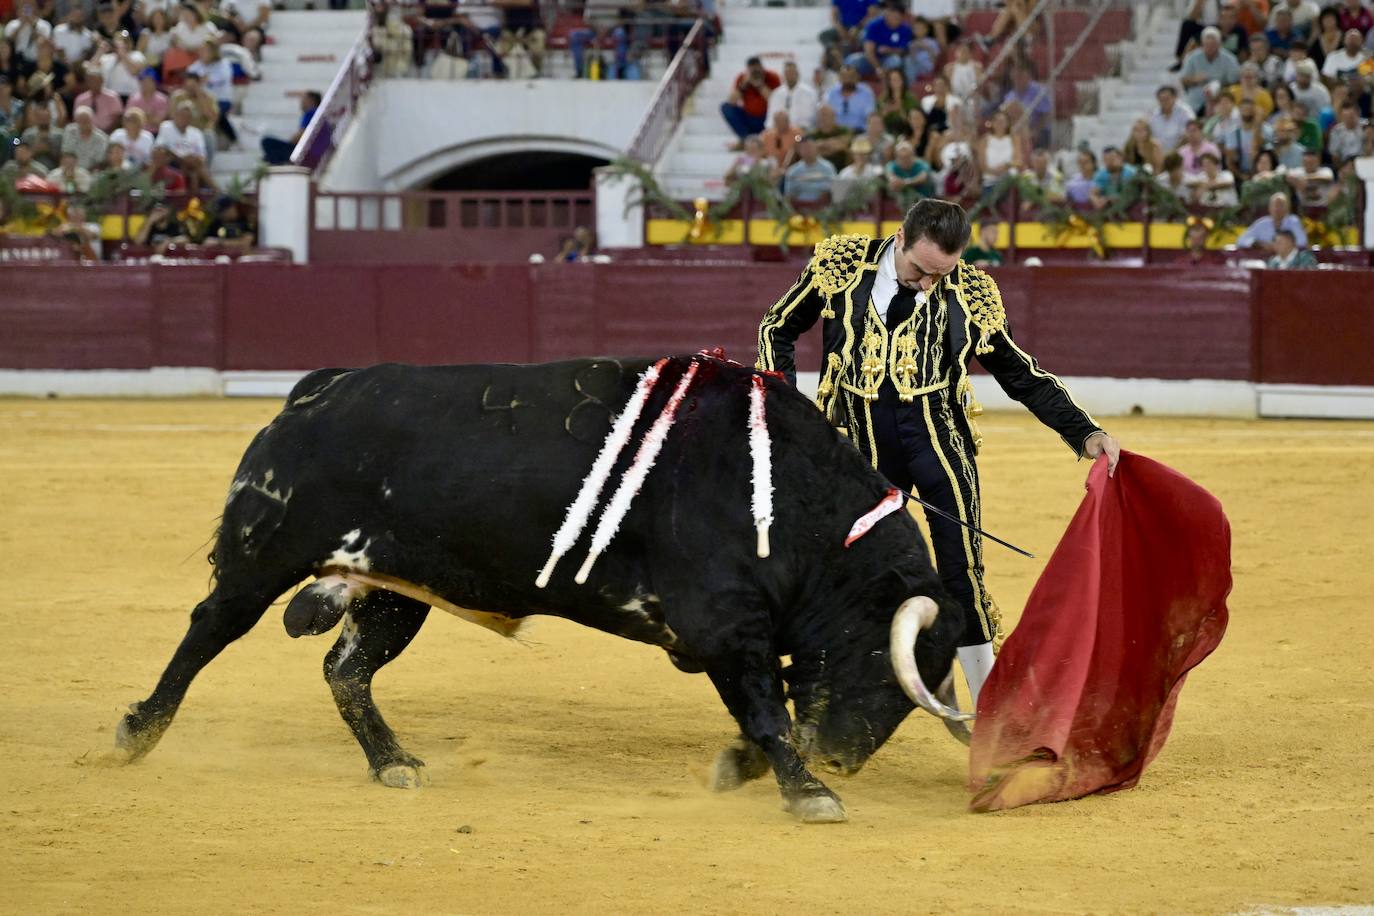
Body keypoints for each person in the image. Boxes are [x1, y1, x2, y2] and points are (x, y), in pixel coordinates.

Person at [755, 199, 1121, 707]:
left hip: (940, 445)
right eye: (919, 271)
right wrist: (788, 410)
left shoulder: (971, 292)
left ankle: (990, 705)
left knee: (961, 569)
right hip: (861, 452)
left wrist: (1085, 432)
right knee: (851, 571)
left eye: (941, 274)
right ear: (899, 239)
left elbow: (1019, 373)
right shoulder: (840, 266)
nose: (928, 283)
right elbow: (778, 328)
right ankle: (832, 698)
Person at [721, 56, 780, 147]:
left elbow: (776, 100)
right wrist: (743, 85)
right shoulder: (742, 78)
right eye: (753, 71)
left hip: (767, 119)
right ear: (747, 71)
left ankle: (764, 140)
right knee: (725, 107)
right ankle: (746, 139)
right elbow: (731, 101)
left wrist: (760, 85)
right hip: (749, 118)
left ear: (762, 68)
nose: (755, 74)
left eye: (757, 71)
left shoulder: (772, 77)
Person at [1180, 27, 1241, 113]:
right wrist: (1194, 79)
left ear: (1219, 44)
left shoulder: (1229, 58)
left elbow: (1235, 81)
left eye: (1213, 44)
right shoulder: (1192, 57)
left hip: (1221, 94)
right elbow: (1183, 80)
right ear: (1202, 44)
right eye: (1207, 44)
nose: (1210, 47)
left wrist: (1219, 88)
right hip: (1197, 95)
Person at [846, 1, 913, 79]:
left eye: (898, 17)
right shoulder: (874, 25)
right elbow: (869, 51)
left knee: (895, 61)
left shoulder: (905, 29)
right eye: (892, 15)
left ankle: (889, 85)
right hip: (871, 59)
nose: (895, 19)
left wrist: (889, 50)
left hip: (889, 59)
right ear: (887, 14)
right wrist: (877, 68)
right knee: (851, 61)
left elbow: (903, 51)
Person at [261, 89, 319, 166]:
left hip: (302, 151)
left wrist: (292, 140)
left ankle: (281, 162)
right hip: (309, 151)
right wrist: (292, 93)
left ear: (311, 101)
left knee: (267, 142)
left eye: (304, 99)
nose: (301, 102)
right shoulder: (316, 113)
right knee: (269, 156)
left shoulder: (310, 113)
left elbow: (300, 135)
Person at [1236, 190, 1308, 249]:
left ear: (1288, 208)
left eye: (1281, 205)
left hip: (1288, 262)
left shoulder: (1293, 221)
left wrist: (1279, 245)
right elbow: (1241, 241)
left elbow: (1302, 242)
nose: (1278, 209)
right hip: (1264, 261)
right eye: (1275, 205)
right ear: (1269, 208)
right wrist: (1257, 244)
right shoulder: (1261, 223)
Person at [782, 134, 837, 205]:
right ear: (799, 150)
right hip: (800, 207)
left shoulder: (828, 167)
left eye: (809, 146)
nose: (807, 150)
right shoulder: (793, 171)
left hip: (822, 207)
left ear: (815, 147)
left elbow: (834, 192)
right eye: (804, 148)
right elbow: (789, 195)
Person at [766, 60, 818, 133]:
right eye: (787, 72)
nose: (790, 75)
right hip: (779, 133)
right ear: (784, 75)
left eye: (792, 72)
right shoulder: (776, 94)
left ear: (798, 74)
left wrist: (796, 131)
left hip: (801, 133)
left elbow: (810, 119)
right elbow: (770, 119)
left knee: (798, 139)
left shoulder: (809, 93)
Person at [825, 63, 876, 133]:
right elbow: (825, 115)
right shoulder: (831, 93)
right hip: (835, 132)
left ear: (857, 77)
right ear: (839, 78)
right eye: (844, 77)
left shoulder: (866, 92)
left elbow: (870, 115)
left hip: (859, 132)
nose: (847, 80)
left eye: (851, 76)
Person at [1148, 85, 1194, 154]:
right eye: (1161, 100)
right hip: (1159, 154)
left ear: (1175, 98)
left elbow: (1188, 135)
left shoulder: (1185, 112)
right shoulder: (1153, 115)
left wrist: (1173, 153)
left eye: (1167, 99)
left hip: (1181, 153)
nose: (1164, 102)